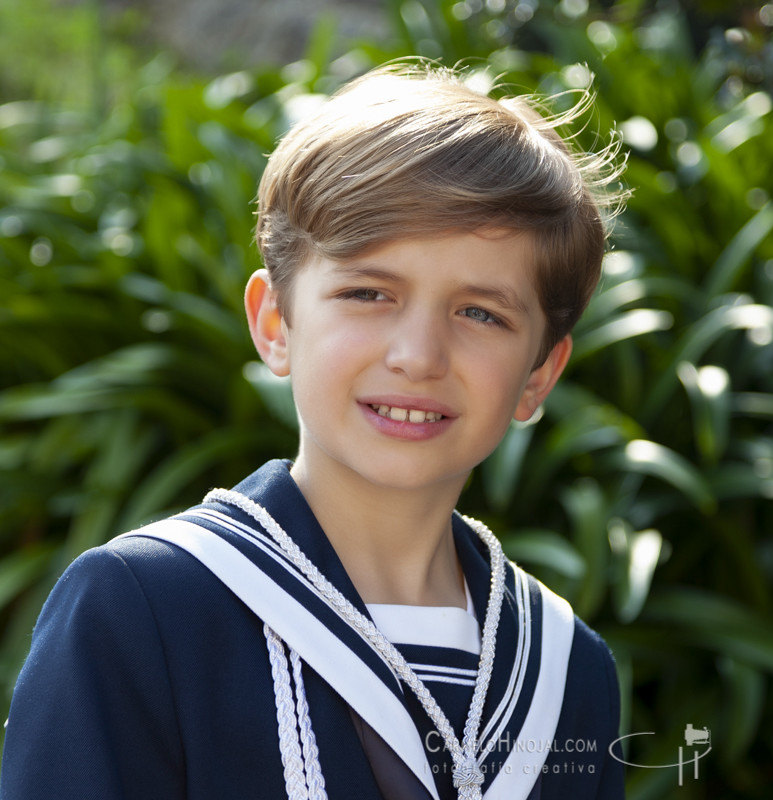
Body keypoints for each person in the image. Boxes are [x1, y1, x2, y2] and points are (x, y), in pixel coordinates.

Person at [0, 61, 627, 799]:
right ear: (275, 323)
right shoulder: (145, 611)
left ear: (539, 376)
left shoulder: (566, 667)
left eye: (480, 312)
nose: (418, 357)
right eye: (368, 293)